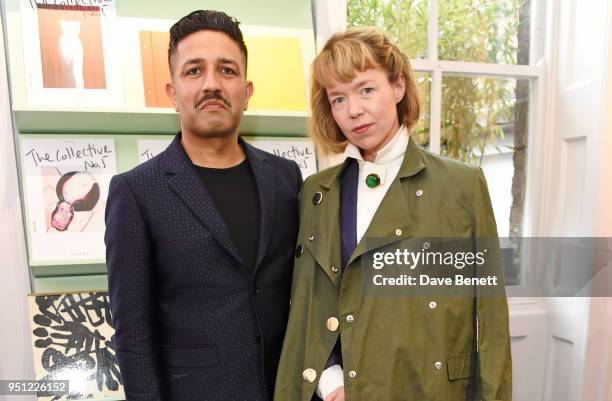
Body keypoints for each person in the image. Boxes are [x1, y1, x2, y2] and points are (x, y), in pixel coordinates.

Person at [274, 27, 512, 401]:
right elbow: (309, 303)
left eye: (366, 90)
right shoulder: (316, 192)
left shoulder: (461, 186)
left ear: (398, 87)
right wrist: (330, 379)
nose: (353, 111)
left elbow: (491, 314)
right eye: (338, 99)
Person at [105, 10, 302, 401]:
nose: (212, 84)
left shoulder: (286, 178)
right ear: (172, 93)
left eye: (226, 70)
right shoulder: (136, 191)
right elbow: (133, 333)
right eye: (194, 71)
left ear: (246, 92)